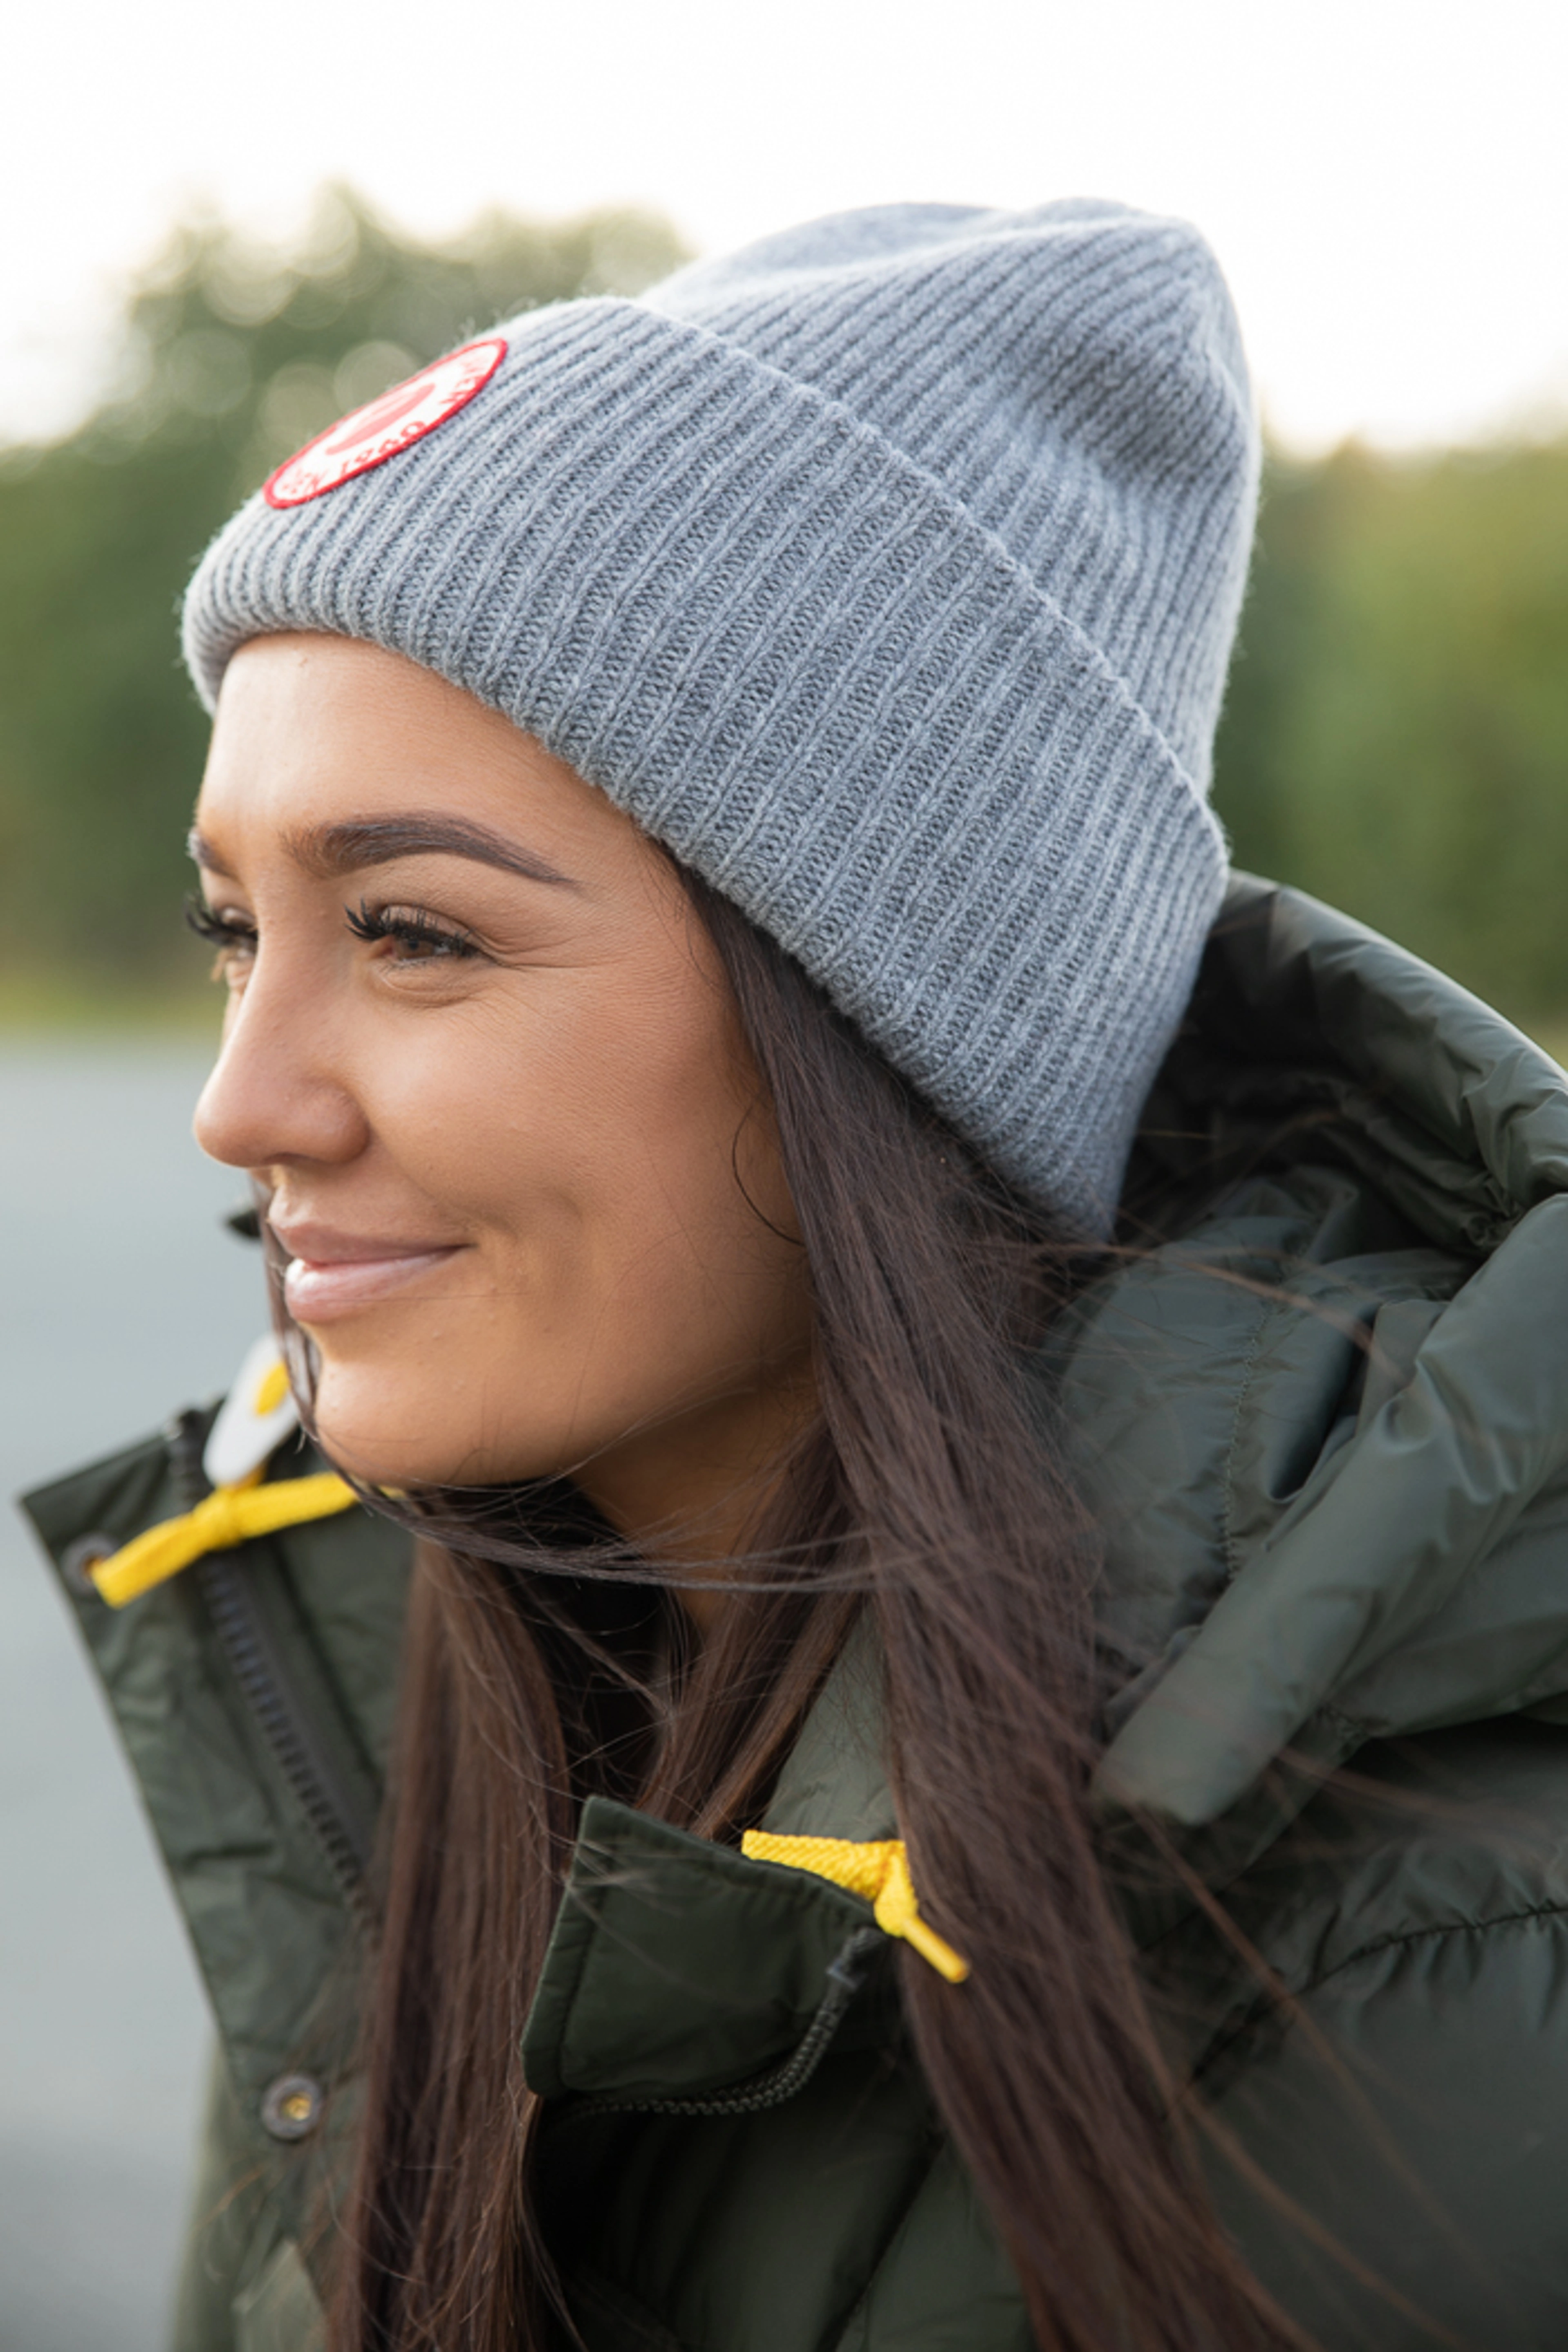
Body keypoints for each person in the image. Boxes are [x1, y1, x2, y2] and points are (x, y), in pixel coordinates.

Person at [25, 200, 1568, 2352]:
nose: (242, 1100)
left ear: (882, 1023)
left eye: (414, 933)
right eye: (233, 930)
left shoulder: (1441, 2000)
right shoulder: (421, 1701)